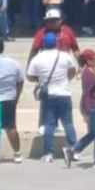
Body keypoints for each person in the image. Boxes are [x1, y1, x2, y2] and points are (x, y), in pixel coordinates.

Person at [26, 31, 79, 166]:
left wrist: (41, 80)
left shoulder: (37, 59)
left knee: (49, 124)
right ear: (56, 42)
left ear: (43, 43)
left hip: (48, 95)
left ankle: (48, 153)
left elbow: (30, 76)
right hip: (64, 93)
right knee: (68, 123)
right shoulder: (64, 56)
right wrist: (66, 79)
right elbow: (72, 70)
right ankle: (75, 149)